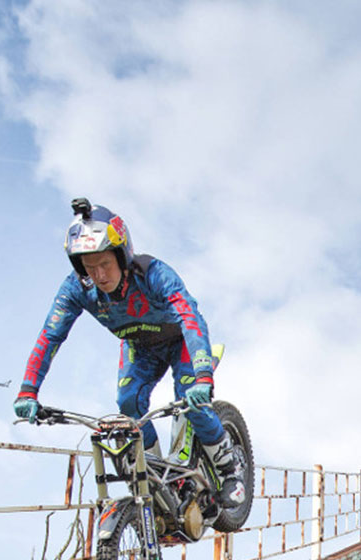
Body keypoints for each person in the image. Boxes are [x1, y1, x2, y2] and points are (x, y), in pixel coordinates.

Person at [14, 198, 240, 496]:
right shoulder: (76, 288)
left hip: (181, 340)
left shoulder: (154, 274)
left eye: (105, 264)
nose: (100, 276)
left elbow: (190, 318)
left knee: (191, 401)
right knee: (128, 405)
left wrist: (203, 376)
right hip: (139, 346)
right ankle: (160, 476)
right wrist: (28, 390)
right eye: (89, 267)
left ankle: (230, 472)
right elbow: (50, 336)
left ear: (122, 256)